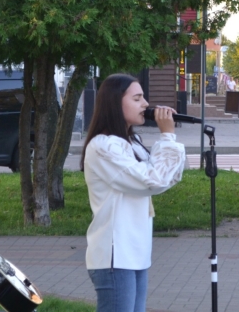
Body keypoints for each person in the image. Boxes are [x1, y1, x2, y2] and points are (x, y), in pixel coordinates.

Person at [80, 74, 186, 312]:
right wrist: (167, 136)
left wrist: (170, 138)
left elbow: (167, 178)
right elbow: (153, 180)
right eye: (137, 98)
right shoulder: (104, 146)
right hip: (115, 256)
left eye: (143, 97)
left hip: (136, 253)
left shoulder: (132, 142)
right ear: (115, 103)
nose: (146, 104)